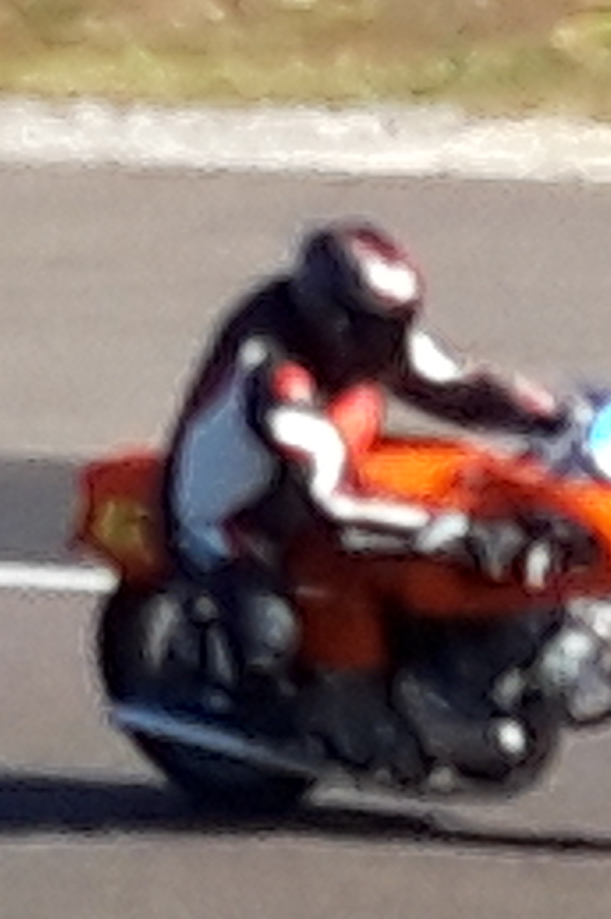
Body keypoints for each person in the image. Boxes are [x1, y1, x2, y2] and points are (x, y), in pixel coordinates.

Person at [161, 217, 571, 768]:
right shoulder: (277, 377)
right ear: (338, 321)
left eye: (398, 327)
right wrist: (450, 530)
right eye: (380, 330)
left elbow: (455, 385)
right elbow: (332, 501)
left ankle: (440, 661)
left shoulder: (355, 342)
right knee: (269, 637)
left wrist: (555, 417)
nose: (393, 345)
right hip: (237, 516)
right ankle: (302, 723)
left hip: (309, 461)